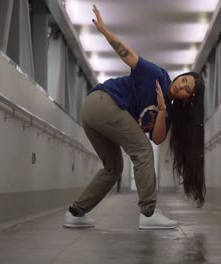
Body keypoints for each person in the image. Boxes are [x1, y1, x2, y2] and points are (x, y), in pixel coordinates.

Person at [63, 5, 205, 230]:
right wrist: (104, 31)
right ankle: (148, 214)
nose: (181, 85)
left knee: (113, 168)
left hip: (97, 113)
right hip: (102, 102)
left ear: (188, 99)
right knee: (142, 150)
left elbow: (157, 139)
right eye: (183, 79)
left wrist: (161, 109)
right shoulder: (158, 76)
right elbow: (129, 56)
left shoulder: (167, 110)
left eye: (186, 88)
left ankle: (76, 212)